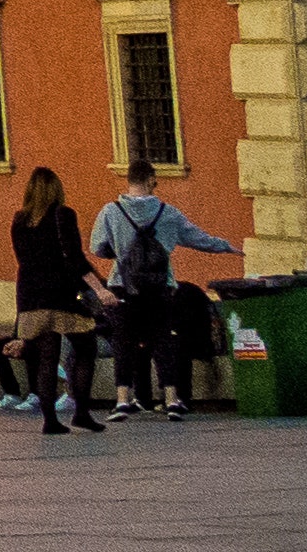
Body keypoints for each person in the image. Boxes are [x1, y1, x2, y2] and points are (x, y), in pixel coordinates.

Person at [89, 161, 240, 421]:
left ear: (130, 180)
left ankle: (123, 400)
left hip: (122, 286)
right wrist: (226, 247)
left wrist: (122, 252)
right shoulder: (167, 212)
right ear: (150, 180)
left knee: (123, 342)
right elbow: (198, 238)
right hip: (160, 288)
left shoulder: (110, 212)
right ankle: (172, 399)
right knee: (162, 340)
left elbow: (97, 248)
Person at [4, 167, 106, 437]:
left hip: (30, 295)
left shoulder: (19, 220)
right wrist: (100, 288)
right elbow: (74, 257)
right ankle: (81, 411)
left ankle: (50, 420)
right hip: (61, 293)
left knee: (46, 358)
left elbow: (23, 259)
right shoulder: (63, 215)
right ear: (56, 189)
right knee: (85, 349)